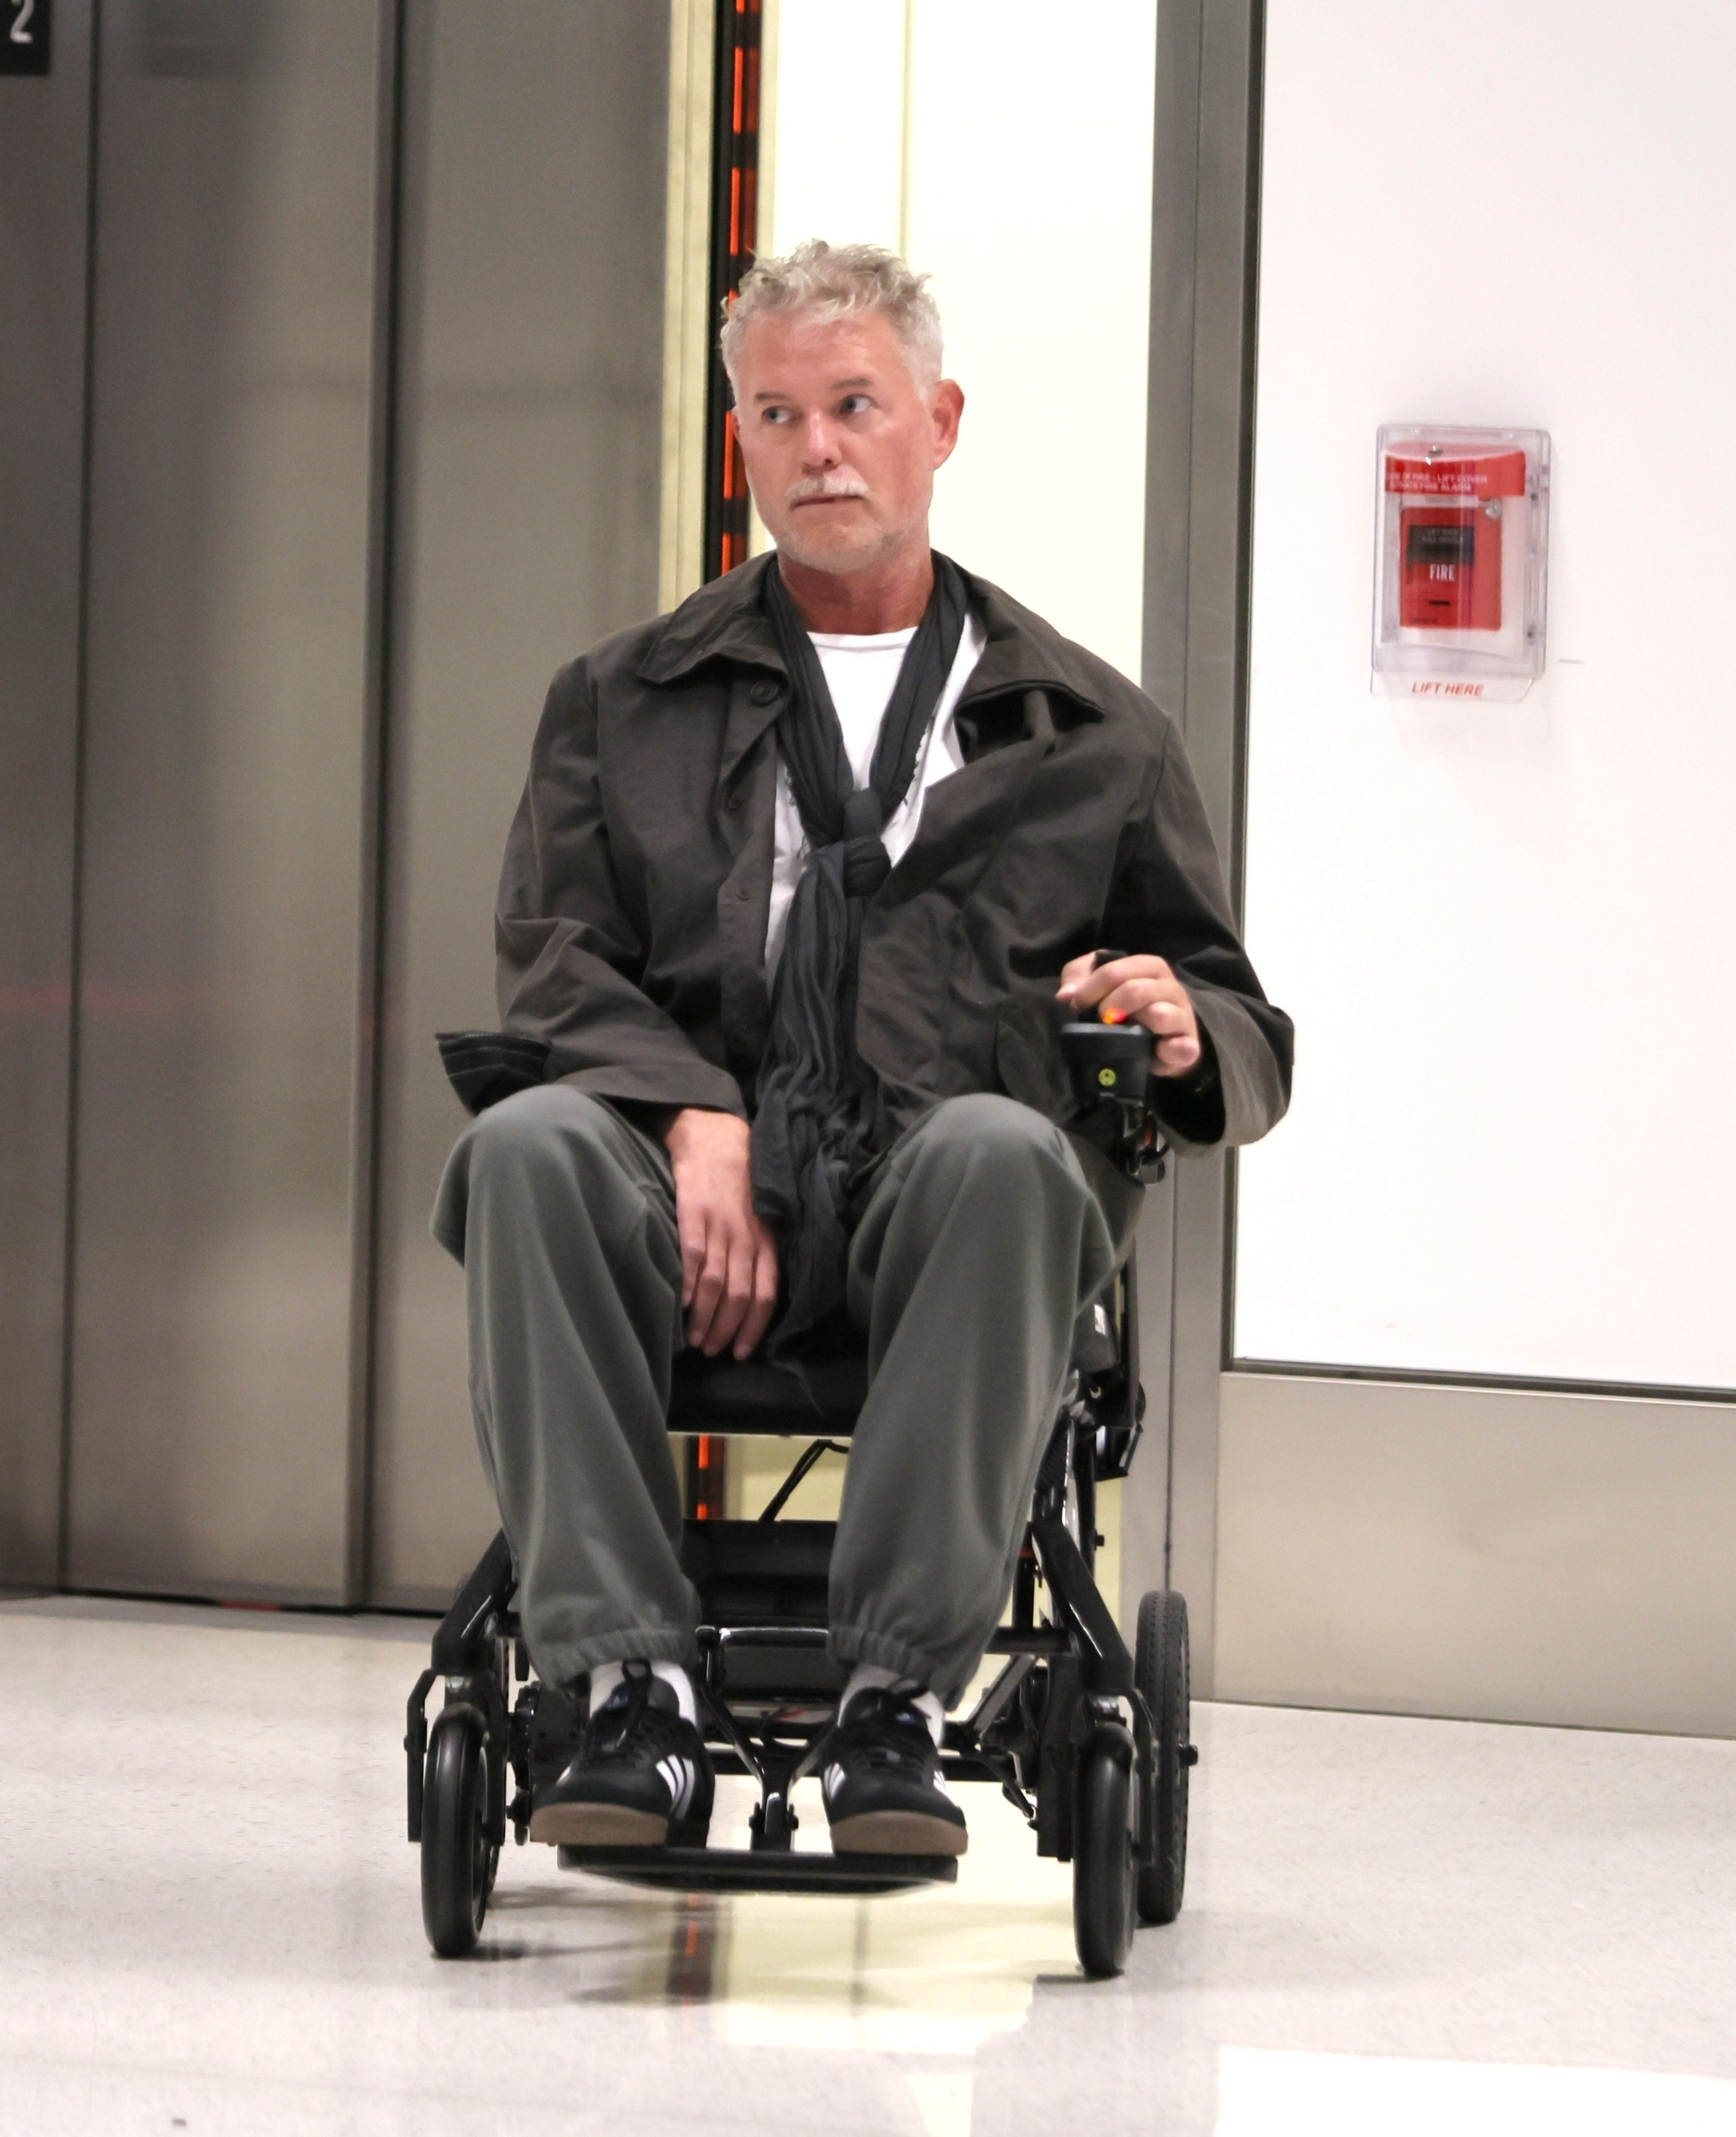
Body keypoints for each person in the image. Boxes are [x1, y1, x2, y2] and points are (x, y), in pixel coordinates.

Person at [433, 241, 1291, 1860]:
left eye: (855, 405)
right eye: (780, 414)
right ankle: (627, 1689)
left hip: (941, 1208)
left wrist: (1186, 1025)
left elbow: (1235, 1017)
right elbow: (555, 960)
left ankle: (893, 1700)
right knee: (527, 1145)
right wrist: (691, 1118)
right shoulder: (621, 699)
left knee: (1007, 1150)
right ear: (741, 441)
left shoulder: (1094, 733)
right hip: (687, 1204)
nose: (818, 447)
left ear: (939, 422)